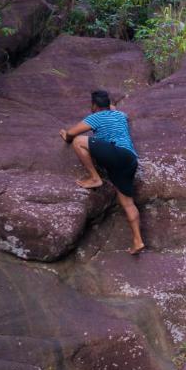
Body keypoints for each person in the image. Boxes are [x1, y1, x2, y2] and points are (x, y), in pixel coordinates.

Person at [60, 89, 145, 255]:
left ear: (94, 105)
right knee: (128, 203)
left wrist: (66, 135)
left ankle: (94, 178)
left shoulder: (95, 117)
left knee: (79, 141)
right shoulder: (120, 116)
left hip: (114, 153)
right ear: (109, 105)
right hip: (129, 159)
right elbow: (118, 112)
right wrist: (110, 108)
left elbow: (72, 134)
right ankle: (138, 241)